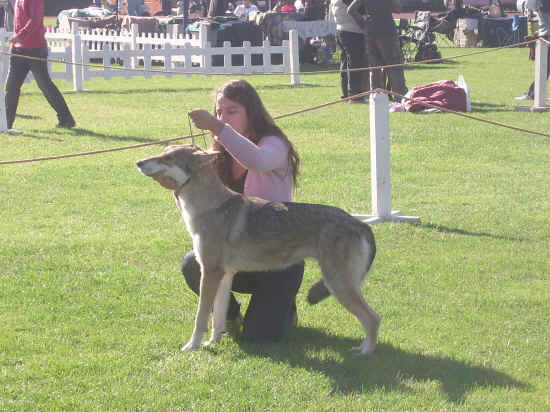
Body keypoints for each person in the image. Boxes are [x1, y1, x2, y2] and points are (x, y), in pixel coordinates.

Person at [184, 79, 304, 342]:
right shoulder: (218, 152)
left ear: (252, 113)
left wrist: (217, 127)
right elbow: (201, 209)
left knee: (258, 340)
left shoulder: (274, 144)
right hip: (236, 256)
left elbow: (257, 160)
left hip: (278, 258)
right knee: (192, 263)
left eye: (232, 112)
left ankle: (284, 307)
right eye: (218, 112)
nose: (222, 118)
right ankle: (229, 316)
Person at [5, 0, 75, 132]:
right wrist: (15, 44)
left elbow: (35, 21)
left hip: (35, 49)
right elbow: (18, 21)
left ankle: (66, 119)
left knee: (45, 85)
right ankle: (6, 124)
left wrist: (19, 36)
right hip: (18, 50)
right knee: (11, 87)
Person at [347, 0, 408, 99]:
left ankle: (377, 97)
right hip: (387, 30)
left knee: (375, 67)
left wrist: (363, 24)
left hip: (371, 30)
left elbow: (350, 10)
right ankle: (401, 96)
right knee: (394, 65)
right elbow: (398, 9)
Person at [329, 0, 369, 103]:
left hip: (342, 29)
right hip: (353, 31)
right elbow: (353, 9)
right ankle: (355, 95)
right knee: (355, 64)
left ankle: (347, 94)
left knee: (346, 63)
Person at [516, 0, 550, 101]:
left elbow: (528, 5)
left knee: (544, 68)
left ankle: (532, 94)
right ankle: (533, 93)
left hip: (546, 38)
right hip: (546, 36)